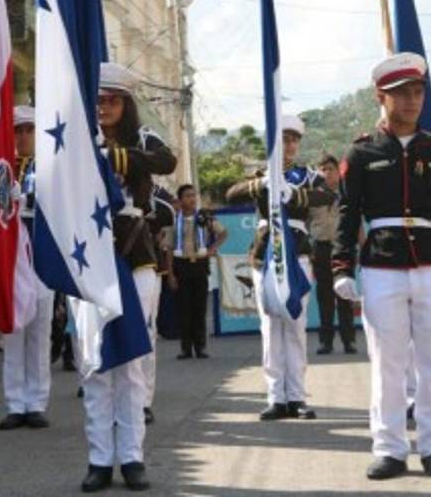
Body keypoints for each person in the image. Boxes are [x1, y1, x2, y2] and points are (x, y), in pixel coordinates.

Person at [332, 53, 431, 480]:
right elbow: (348, 212)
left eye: (417, 92)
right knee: (388, 363)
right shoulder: (362, 151)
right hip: (382, 266)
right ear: (381, 98)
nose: (412, 101)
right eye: (401, 94)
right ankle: (390, 449)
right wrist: (341, 266)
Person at [81, 63, 177, 493]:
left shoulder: (142, 138)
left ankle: (132, 456)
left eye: (112, 100)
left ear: (126, 104)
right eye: (98, 100)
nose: (104, 108)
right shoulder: (76, 138)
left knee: (132, 365)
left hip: (134, 256)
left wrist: (116, 155)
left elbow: (166, 160)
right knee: (95, 366)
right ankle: (100, 459)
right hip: (89, 259)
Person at [228, 115, 334, 421]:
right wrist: (261, 183)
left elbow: (328, 194)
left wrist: (295, 194)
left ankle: (297, 396)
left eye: (293, 140)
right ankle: (276, 397)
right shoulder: (261, 174)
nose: (288, 145)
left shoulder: (306, 175)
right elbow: (231, 195)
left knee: (295, 326)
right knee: (271, 328)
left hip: (297, 252)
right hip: (265, 255)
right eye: (283, 140)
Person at [0, 105, 54, 431]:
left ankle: (36, 402)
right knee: (13, 333)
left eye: (28, 130)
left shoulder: (50, 167)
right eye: (17, 131)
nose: (23, 136)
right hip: (12, 260)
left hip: (41, 258)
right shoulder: (3, 168)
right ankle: (15, 403)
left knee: (39, 334)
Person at [165, 184, 226, 361]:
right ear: (180, 200)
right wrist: (170, 274)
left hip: (199, 265)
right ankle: (185, 348)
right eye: (187, 196)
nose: (192, 199)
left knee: (199, 308)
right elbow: (169, 249)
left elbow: (223, 233)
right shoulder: (174, 220)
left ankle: (200, 347)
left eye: (193, 195)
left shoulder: (204, 217)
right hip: (181, 266)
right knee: (183, 309)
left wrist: (212, 248)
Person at [311, 154, 356, 354]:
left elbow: (356, 222)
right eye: (323, 169)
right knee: (324, 297)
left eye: (331, 169)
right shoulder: (312, 195)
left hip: (343, 249)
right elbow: (304, 223)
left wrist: (363, 246)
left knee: (345, 295)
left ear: (338, 171)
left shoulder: (347, 192)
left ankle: (349, 341)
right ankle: (325, 342)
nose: (327, 173)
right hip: (320, 248)